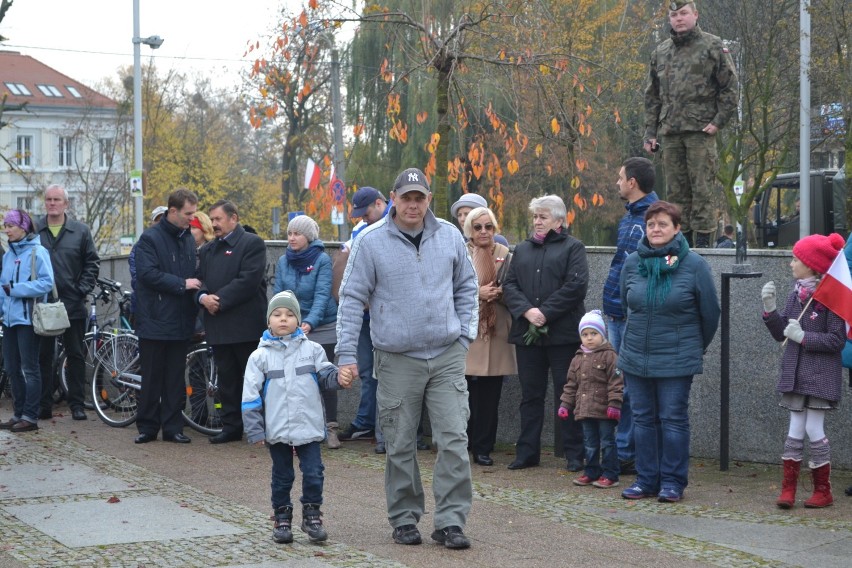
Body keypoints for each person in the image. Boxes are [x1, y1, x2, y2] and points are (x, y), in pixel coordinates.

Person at [336, 167, 477, 549]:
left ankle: (450, 521)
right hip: (396, 357)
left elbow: (467, 286)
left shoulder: (449, 235)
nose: (413, 205)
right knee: (399, 442)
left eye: (420, 198)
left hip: (447, 353)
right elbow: (350, 299)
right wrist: (346, 353)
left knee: (453, 438)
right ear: (393, 199)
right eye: (406, 198)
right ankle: (403, 517)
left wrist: (465, 335)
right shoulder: (370, 242)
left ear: (428, 200)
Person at [618, 200, 720, 502]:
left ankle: (673, 482)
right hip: (636, 355)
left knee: (673, 419)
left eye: (663, 224)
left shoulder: (694, 265)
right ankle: (646, 479)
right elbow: (627, 305)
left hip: (677, 358)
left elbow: (710, 313)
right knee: (642, 419)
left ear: (677, 229)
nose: (656, 229)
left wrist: (692, 348)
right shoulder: (633, 262)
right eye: (651, 224)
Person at [242, 291, 354, 545]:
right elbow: (250, 395)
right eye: (278, 314)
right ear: (268, 321)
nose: (284, 319)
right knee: (282, 476)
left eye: (290, 314)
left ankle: (312, 515)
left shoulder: (313, 350)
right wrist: (255, 429)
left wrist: (339, 377)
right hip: (277, 428)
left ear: (298, 320)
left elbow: (326, 375)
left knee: (314, 472)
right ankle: (282, 518)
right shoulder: (259, 357)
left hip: (309, 426)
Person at [502, 195, 588, 472]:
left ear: (559, 220)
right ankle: (527, 452)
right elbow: (510, 285)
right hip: (528, 335)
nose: (538, 222)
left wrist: (545, 312)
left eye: (543, 217)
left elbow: (575, 286)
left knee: (567, 393)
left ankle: (574, 453)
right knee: (530, 395)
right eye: (536, 217)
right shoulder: (523, 249)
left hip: (563, 335)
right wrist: (528, 311)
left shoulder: (573, 248)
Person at [761, 233, 846, 509]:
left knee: (813, 427)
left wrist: (804, 337)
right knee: (794, 428)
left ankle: (823, 490)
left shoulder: (829, 299)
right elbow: (781, 334)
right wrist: (770, 311)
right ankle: (789, 490)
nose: (791, 264)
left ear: (811, 265)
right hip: (795, 374)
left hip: (820, 376)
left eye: (796, 259)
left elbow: (836, 340)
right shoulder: (795, 295)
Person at [643, 0, 738, 248]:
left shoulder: (712, 45)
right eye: (674, 15)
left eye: (684, 13)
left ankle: (704, 246)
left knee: (703, 190)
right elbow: (652, 95)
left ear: (695, 15)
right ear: (669, 19)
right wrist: (650, 133)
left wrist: (718, 122)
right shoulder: (661, 52)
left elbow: (730, 88)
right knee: (676, 195)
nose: (679, 19)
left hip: (700, 130)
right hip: (671, 131)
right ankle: (679, 244)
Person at [602, 157, 658, 476]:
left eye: (620, 177)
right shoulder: (630, 217)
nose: (617, 182)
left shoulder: (650, 218)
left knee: (630, 385)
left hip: (629, 315)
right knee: (619, 383)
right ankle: (622, 449)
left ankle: (627, 452)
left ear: (632, 182)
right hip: (615, 311)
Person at [133, 189, 201, 444]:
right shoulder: (149, 239)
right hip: (154, 320)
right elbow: (147, 274)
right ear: (172, 212)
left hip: (180, 319)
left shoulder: (187, 239)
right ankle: (148, 427)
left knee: (174, 378)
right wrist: (183, 284)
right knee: (151, 377)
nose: (192, 219)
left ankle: (173, 427)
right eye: (188, 214)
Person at [197, 200, 268, 444]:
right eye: (212, 219)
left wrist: (220, 300)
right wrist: (203, 297)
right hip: (218, 326)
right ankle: (231, 427)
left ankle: (261, 428)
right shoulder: (207, 250)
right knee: (226, 381)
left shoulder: (252, 243)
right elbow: (200, 280)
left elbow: (248, 281)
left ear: (233, 218)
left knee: (255, 380)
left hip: (246, 327)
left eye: (218, 219)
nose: (214, 224)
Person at [273, 214, 341, 449]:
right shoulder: (283, 261)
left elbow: (322, 295)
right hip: (293, 326)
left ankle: (331, 427)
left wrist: (310, 322)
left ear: (309, 237)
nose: (291, 238)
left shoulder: (321, 259)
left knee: (326, 377)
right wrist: (281, 320)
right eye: (289, 233)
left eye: (297, 234)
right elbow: (279, 294)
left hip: (323, 326)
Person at [35, 185, 100, 421]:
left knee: (75, 355)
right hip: (43, 305)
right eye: (49, 199)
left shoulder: (80, 231)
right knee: (44, 356)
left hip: (72, 304)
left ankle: (77, 404)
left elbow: (92, 262)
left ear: (66, 204)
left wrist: (81, 289)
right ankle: (43, 404)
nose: (52, 203)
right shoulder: (36, 230)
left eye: (57, 199)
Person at [462, 206, 516, 466]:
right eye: (478, 227)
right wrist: (477, 294)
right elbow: (451, 288)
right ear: (469, 230)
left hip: (496, 330)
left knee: (491, 393)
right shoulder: (461, 253)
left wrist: (499, 293)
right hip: (469, 330)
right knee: (466, 392)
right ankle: (465, 443)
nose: (483, 231)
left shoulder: (505, 254)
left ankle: (484, 447)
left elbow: (515, 287)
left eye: (489, 226)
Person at [335, 186, 388, 449]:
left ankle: (384, 433)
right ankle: (366, 421)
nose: (362, 217)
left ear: (380, 204)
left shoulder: (394, 224)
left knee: (384, 374)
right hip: (365, 316)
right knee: (368, 372)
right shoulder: (361, 229)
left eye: (365, 212)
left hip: (385, 315)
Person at [0, 210, 55, 433]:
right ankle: (17, 414)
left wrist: (17, 290)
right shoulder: (8, 255)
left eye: (10, 226)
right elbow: (2, 288)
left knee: (29, 369)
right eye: (5, 225)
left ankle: (30, 417)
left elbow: (47, 283)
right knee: (12, 368)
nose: (6, 230)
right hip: (9, 320)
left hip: (29, 319)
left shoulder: (38, 251)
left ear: (24, 227)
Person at [559, 310, 623, 488]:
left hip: (604, 410)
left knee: (607, 442)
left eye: (594, 334)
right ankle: (591, 471)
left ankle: (611, 474)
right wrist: (565, 404)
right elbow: (571, 384)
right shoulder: (577, 359)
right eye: (585, 334)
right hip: (584, 409)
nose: (589, 338)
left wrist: (615, 404)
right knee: (589, 443)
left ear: (602, 334)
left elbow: (616, 382)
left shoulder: (610, 355)